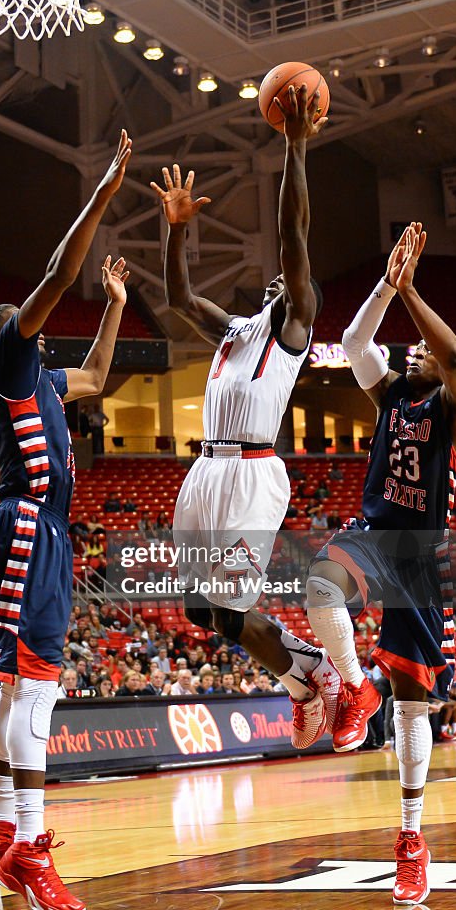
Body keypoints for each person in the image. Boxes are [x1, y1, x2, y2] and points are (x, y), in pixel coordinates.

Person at [0, 129, 132, 910]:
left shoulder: (48, 384)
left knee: (15, 691)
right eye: (30, 326)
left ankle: (0, 827)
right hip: (29, 522)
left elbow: (97, 373)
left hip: (39, 528)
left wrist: (119, 308)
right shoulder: (5, 361)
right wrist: (100, 194)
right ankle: (29, 845)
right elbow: (60, 275)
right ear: (5, 339)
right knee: (35, 690)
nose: (43, 335)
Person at [154, 85, 340, 751]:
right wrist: (175, 229)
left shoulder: (289, 327)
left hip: (252, 474)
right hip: (205, 469)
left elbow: (293, 235)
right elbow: (177, 296)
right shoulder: (235, 329)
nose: (281, 281)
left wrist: (293, 146)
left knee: (228, 605)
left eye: (292, 281)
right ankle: (304, 678)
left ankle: (316, 672)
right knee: (201, 610)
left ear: (300, 298)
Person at [305, 222, 456, 906]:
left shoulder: (454, 407)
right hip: (376, 530)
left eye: (425, 351)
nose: (416, 351)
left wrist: (412, 294)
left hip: (420, 557)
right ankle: (352, 687)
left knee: (415, 707)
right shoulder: (392, 397)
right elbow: (353, 343)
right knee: (320, 582)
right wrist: (387, 282)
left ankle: (410, 839)